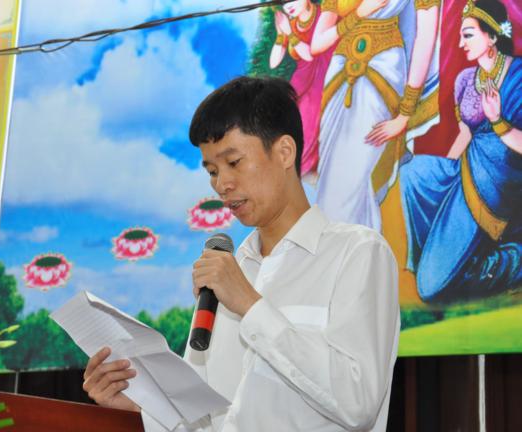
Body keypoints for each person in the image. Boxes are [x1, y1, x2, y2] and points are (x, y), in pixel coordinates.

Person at [82, 77, 400, 431]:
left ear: (284, 152)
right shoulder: (227, 273)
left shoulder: (357, 253)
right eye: (212, 171)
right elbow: (203, 418)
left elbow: (359, 401)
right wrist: (140, 407)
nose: (222, 185)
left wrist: (250, 305)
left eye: (233, 162)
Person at [397, 0, 522, 302]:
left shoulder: (518, 76)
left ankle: (513, 261)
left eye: (468, 35)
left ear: (492, 36)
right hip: (468, 168)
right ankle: (444, 257)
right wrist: (448, 179)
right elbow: (466, 133)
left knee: (430, 289)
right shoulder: (466, 79)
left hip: (500, 182)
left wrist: (498, 122)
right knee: (413, 173)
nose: (460, 42)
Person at [310, 0, 440, 231]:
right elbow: (317, 45)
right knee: (332, 178)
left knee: (354, 178)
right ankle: (348, 246)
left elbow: (426, 37)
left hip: (384, 72)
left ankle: (348, 245)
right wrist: (359, 13)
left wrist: (405, 114)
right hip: (338, 76)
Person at [269, 0, 334, 182]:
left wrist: (290, 33)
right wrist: (281, 35)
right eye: (283, 2)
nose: (288, 5)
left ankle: (303, 173)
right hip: (300, 84)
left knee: (306, 128)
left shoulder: (324, 15)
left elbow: (311, 54)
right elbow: (273, 62)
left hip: (322, 78)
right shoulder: (290, 24)